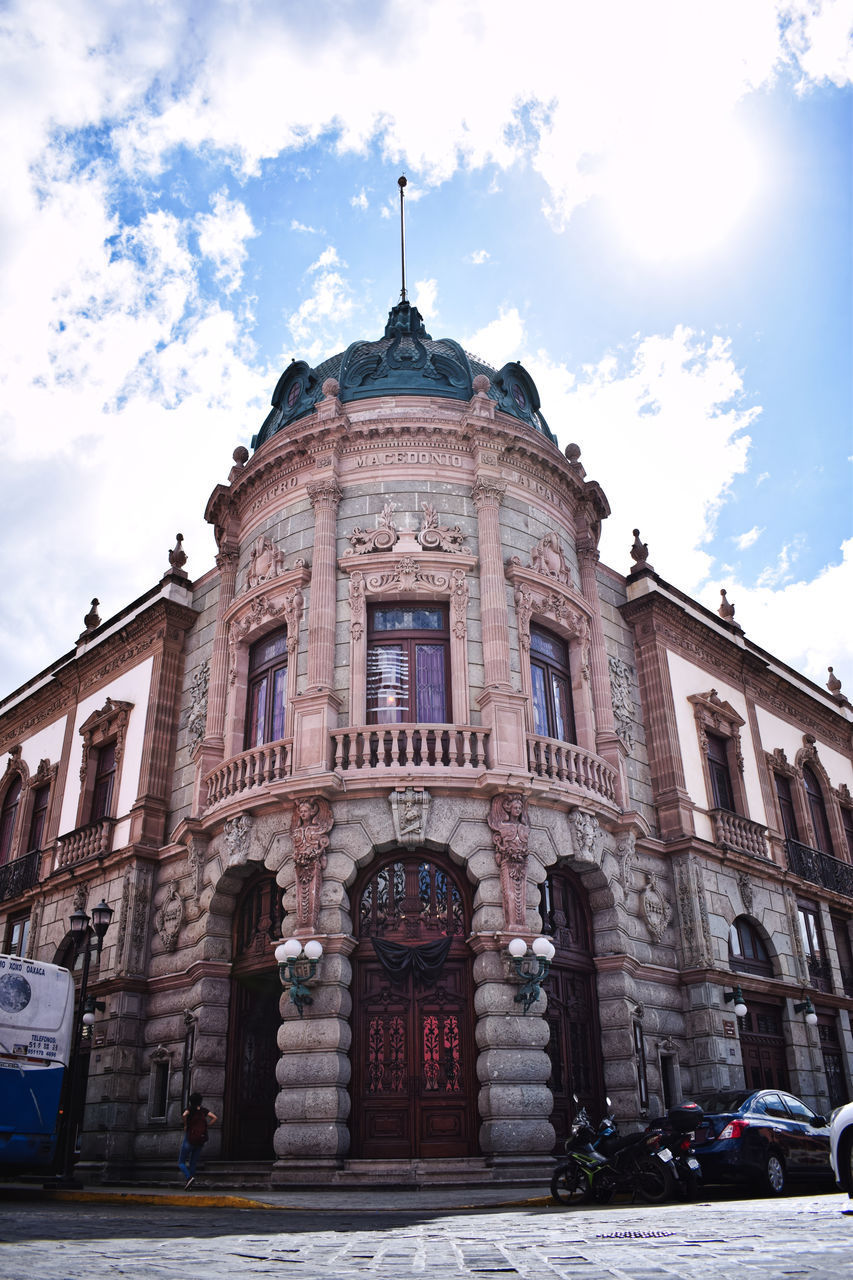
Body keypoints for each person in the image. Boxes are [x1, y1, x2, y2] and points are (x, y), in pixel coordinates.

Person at [178, 1091, 217, 1189]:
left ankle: (189, 1177)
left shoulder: (190, 1109)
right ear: (200, 1101)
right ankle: (190, 1185)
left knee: (181, 1162)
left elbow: (183, 1115)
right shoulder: (203, 1110)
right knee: (193, 1163)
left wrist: (186, 1125)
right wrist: (206, 1126)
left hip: (190, 1138)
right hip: (200, 1140)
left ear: (191, 1101)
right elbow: (214, 1118)